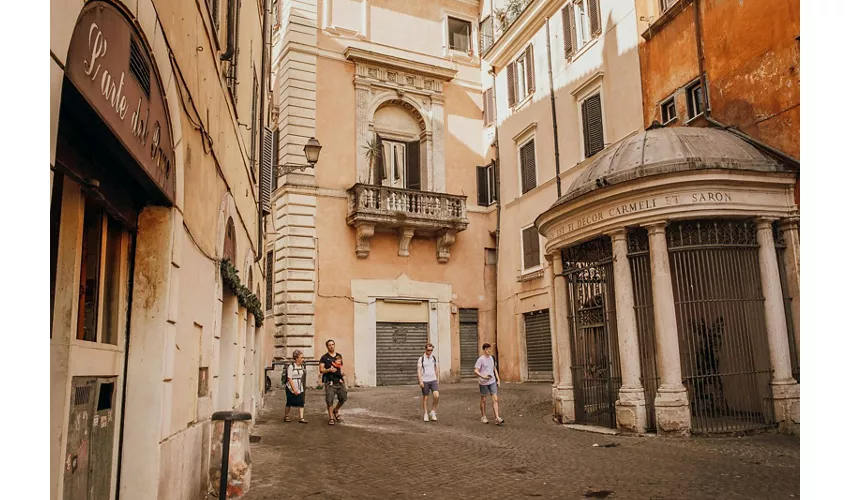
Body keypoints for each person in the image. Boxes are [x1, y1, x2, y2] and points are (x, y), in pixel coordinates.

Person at [474, 343, 504, 425]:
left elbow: (494, 369)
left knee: (495, 399)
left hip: (492, 381)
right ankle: (483, 416)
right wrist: (483, 376)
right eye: (487, 349)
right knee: (483, 399)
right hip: (483, 382)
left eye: (489, 349)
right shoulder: (480, 359)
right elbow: (476, 371)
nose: (488, 350)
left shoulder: (492, 358)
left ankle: (497, 417)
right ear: (484, 350)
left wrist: (498, 379)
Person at [319, 339, 347, 425]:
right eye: (329, 345)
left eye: (332, 344)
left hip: (339, 380)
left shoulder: (338, 356)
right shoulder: (324, 357)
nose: (331, 346)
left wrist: (342, 373)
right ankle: (331, 418)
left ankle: (336, 410)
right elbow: (321, 370)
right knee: (329, 400)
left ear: (334, 345)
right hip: (329, 381)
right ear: (327, 347)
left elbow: (341, 366)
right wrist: (328, 370)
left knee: (343, 398)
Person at [417, 343, 440, 422]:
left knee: (436, 395)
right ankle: (426, 414)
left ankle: (433, 411)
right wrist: (420, 381)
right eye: (428, 350)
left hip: (433, 380)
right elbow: (419, 370)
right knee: (425, 397)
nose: (430, 352)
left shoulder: (433, 358)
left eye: (431, 350)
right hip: (425, 380)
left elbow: (436, 368)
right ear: (425, 350)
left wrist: (437, 378)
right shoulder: (421, 359)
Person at [284, 350, 308, 424]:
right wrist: (294, 389)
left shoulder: (301, 366)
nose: (303, 359)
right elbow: (289, 378)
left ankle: (301, 417)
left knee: (301, 402)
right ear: (297, 358)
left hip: (299, 385)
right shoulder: (291, 367)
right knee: (289, 401)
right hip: (291, 386)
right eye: (301, 357)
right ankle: (286, 416)